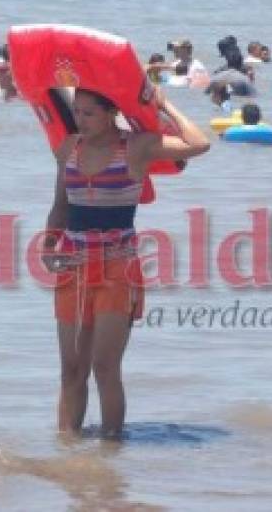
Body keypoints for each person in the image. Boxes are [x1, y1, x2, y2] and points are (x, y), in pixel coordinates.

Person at [39, 87, 208, 439]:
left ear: (111, 112)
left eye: (88, 114)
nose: (80, 120)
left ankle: (110, 454)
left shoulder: (135, 147)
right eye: (78, 113)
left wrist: (165, 105)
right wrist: (50, 243)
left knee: (104, 367)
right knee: (71, 369)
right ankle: (68, 454)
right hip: (73, 267)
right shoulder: (69, 148)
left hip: (118, 269)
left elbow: (199, 143)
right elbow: (61, 204)